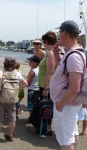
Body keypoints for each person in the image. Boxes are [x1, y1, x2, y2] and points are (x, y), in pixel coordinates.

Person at [50, 20, 85, 150]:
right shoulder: (71, 53)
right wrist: (56, 54)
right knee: (71, 134)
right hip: (69, 104)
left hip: (66, 104)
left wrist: (60, 105)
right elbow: (65, 73)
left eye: (59, 32)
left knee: (65, 141)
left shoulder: (73, 56)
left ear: (64, 33)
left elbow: (75, 88)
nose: (58, 35)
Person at [0, 57, 28, 142]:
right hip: (12, 99)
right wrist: (17, 90)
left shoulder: (1, 71)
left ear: (5, 64)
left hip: (1, 98)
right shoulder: (17, 73)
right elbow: (25, 83)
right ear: (14, 64)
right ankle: (10, 136)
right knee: (12, 118)